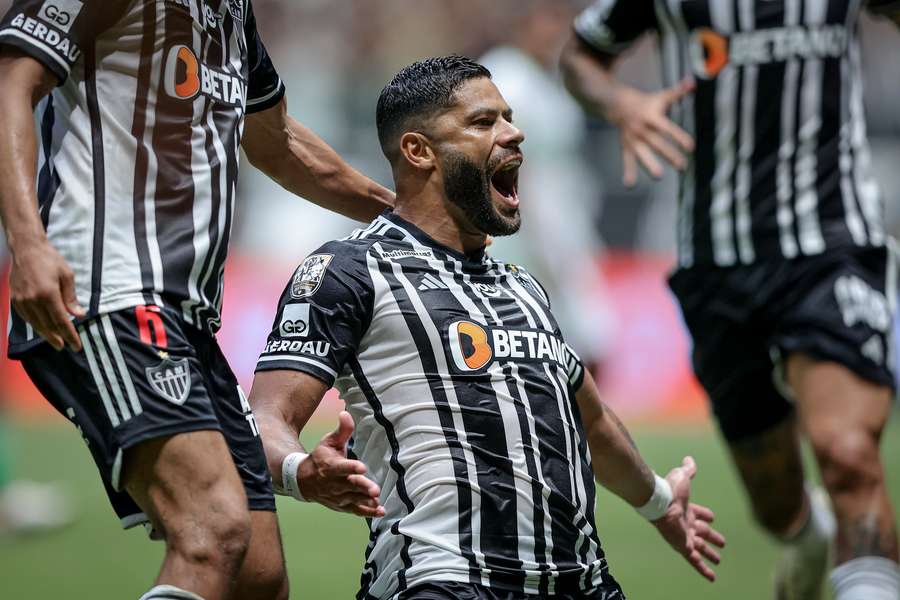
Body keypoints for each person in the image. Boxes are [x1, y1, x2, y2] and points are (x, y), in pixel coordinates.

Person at [249, 55, 725, 600]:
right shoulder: (350, 271)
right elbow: (266, 416)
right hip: (442, 580)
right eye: (483, 123)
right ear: (418, 151)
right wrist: (297, 471)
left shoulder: (522, 286)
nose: (514, 132)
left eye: (509, 117)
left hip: (582, 584)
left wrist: (659, 503)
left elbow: (585, 412)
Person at [0, 1, 392, 598]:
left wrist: (411, 219)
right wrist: (26, 243)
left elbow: (279, 141)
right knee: (211, 529)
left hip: (189, 318)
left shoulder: (233, 13)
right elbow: (11, 78)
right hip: (109, 288)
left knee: (258, 577)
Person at [560, 2, 900, 599]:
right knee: (775, 504)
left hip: (833, 242)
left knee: (848, 456)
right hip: (717, 261)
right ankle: (804, 535)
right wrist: (624, 105)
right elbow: (581, 56)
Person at [478, 0, 615, 371]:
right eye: (546, 20)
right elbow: (509, 164)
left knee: (584, 331)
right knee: (564, 330)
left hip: (565, 211)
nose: (555, 31)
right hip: (529, 220)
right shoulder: (506, 79)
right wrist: (528, 221)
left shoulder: (546, 77)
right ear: (523, 23)